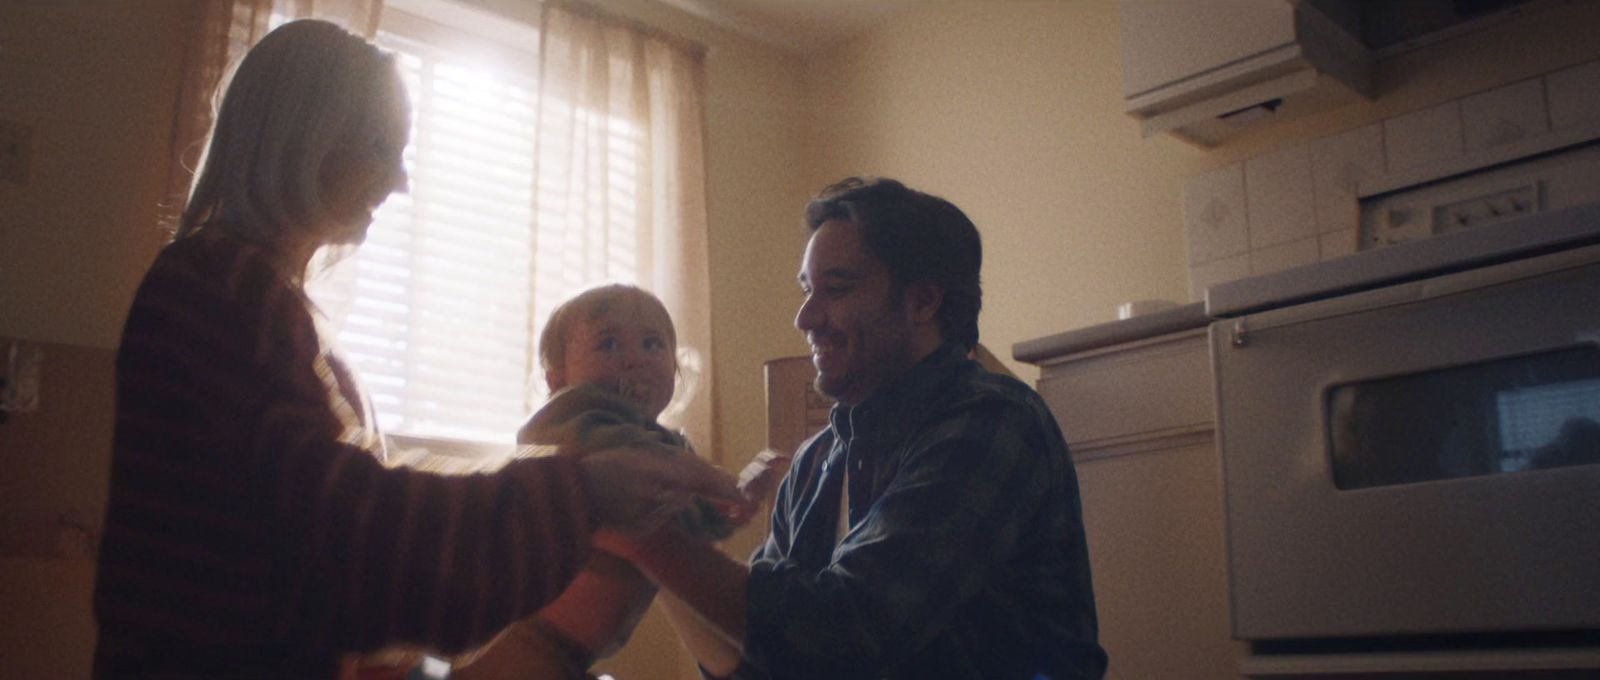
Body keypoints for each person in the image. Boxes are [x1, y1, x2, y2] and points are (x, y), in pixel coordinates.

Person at [93, 20, 740, 680]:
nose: (400, 180)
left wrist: (545, 475)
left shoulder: (250, 294)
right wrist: (581, 493)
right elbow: (334, 526)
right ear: (303, 135)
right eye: (380, 145)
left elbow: (339, 492)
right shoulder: (217, 289)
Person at [597, 177, 1109, 679]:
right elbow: (756, 662)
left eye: (836, 289)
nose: (805, 317)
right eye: (807, 290)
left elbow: (845, 636)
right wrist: (651, 523)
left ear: (924, 301)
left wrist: (645, 535)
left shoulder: (994, 422)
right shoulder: (816, 461)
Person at [453, 284, 732, 680]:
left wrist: (720, 512)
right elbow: (638, 464)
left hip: (566, 653)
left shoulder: (658, 442)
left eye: (652, 343)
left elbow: (687, 520)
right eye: (609, 344)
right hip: (517, 640)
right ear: (558, 381)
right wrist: (719, 486)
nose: (635, 359)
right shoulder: (572, 418)